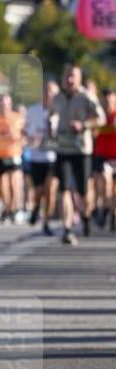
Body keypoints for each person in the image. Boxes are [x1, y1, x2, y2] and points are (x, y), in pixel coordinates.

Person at [50, 64, 105, 244]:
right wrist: (51, 126)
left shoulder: (87, 96)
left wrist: (84, 125)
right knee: (64, 189)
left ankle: (87, 215)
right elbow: (51, 115)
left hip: (82, 149)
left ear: (79, 78)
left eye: (73, 76)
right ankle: (67, 228)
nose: (70, 80)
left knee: (83, 190)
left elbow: (101, 118)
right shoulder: (57, 98)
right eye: (67, 76)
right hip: (63, 149)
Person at [24, 80, 59, 235]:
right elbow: (24, 131)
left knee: (50, 191)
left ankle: (47, 222)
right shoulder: (32, 110)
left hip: (53, 157)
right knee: (38, 191)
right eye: (46, 91)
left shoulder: (60, 112)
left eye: (52, 92)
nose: (49, 94)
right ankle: (36, 207)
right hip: (37, 157)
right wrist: (32, 139)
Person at [0, 94, 25, 224]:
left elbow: (24, 135)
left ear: (10, 104)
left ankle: (17, 208)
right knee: (2, 186)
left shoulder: (18, 118)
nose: (4, 106)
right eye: (2, 103)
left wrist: (15, 136)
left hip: (13, 154)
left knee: (14, 183)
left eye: (6, 103)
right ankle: (8, 210)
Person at [93, 88, 116, 230]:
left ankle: (112, 215)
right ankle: (105, 210)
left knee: (114, 191)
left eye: (111, 99)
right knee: (106, 185)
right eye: (106, 99)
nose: (108, 102)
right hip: (103, 156)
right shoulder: (99, 115)